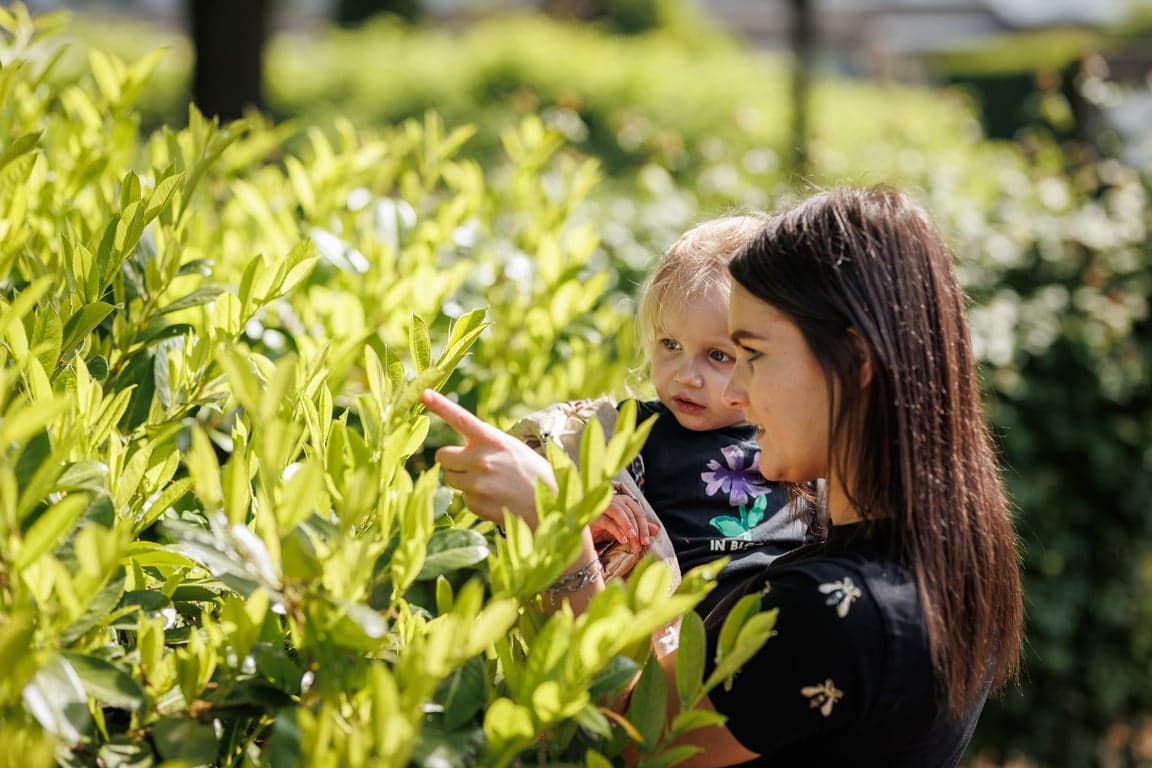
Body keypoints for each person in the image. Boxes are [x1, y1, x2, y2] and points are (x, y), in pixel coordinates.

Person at [421, 185, 1024, 766]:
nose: (731, 391)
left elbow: (635, 744)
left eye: (749, 355)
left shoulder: (832, 612)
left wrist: (557, 536)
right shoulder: (949, 564)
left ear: (856, 360)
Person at [509, 214, 808, 616]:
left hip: (779, 630)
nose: (685, 376)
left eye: (717, 356)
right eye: (670, 344)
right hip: (672, 641)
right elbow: (532, 451)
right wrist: (589, 500)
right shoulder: (636, 429)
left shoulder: (800, 441)